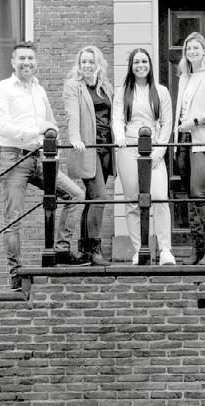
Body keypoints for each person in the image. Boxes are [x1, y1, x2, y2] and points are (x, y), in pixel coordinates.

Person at [0, 42, 89, 291]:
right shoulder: (2, 89)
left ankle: (62, 250)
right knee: (13, 219)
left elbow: (51, 123)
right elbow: (2, 127)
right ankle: (15, 274)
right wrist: (37, 130)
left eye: (31, 58)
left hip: (41, 157)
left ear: (36, 62)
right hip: (13, 158)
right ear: (13, 62)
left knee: (76, 194)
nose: (27, 63)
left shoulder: (39, 89)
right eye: (22, 58)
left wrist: (52, 144)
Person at [112, 48, 176, 265]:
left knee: (159, 197)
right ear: (131, 66)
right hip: (129, 148)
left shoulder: (161, 91)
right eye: (136, 62)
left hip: (153, 147)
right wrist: (120, 136)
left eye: (144, 61)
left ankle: (165, 250)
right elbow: (117, 118)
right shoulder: (122, 92)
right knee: (132, 201)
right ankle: (140, 250)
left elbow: (167, 123)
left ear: (150, 64)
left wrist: (160, 151)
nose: (141, 66)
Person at [173, 32, 205, 265]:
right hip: (183, 140)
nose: (192, 52)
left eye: (196, 48)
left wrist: (194, 122)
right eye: (189, 48)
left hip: (201, 139)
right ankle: (197, 247)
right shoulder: (184, 77)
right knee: (189, 194)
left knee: (198, 191)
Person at [63, 45, 114, 266]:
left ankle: (84, 249)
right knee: (100, 196)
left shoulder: (105, 87)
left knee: (93, 199)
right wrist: (75, 138)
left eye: (91, 62)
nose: (87, 65)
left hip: (106, 149)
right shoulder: (73, 86)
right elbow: (72, 114)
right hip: (88, 149)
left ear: (98, 64)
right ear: (79, 64)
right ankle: (94, 250)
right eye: (83, 62)